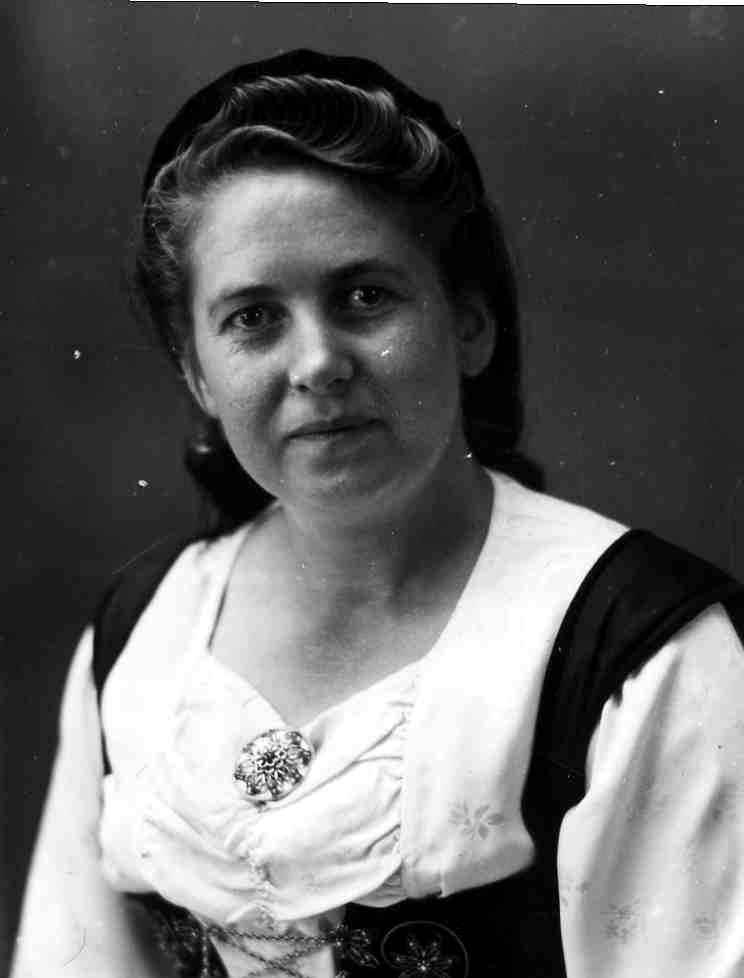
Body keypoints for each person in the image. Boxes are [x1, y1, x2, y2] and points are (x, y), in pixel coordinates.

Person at [12, 50, 744, 978]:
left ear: (469, 322)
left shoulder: (642, 657)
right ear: (196, 371)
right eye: (252, 318)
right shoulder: (142, 636)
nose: (317, 363)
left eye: (366, 297)